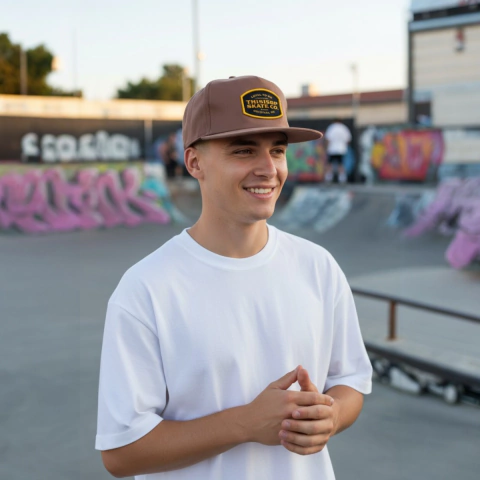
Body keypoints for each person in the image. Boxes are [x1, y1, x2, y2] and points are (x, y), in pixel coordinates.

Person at [95, 75, 372, 480]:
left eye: (277, 151)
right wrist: (244, 424)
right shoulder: (147, 289)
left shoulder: (318, 266)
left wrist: (331, 417)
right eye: (244, 151)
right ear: (194, 163)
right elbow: (121, 453)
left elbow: (349, 381)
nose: (269, 169)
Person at [324, 118, 352, 184]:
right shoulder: (344, 128)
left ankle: (328, 178)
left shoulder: (331, 127)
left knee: (330, 164)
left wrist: (326, 148)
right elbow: (348, 140)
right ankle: (342, 179)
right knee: (340, 164)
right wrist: (344, 145)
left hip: (332, 149)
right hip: (341, 149)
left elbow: (328, 139)